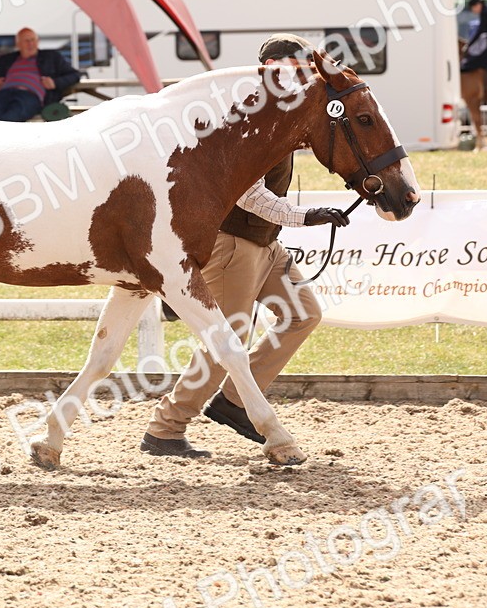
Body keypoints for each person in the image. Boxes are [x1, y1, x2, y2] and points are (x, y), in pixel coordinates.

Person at [141, 34, 349, 458]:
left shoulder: (285, 116)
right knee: (227, 339)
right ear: (270, 68)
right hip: (233, 242)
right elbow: (248, 195)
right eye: (294, 68)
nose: (303, 77)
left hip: (266, 243)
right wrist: (305, 217)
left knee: (304, 314)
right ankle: (166, 428)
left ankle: (235, 401)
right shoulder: (246, 117)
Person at [0, 27, 82, 122]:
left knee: (10, 119)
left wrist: (55, 83)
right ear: (18, 44)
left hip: (30, 95)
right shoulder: (6, 59)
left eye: (33, 40)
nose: (31, 44)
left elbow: (75, 75)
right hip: (5, 93)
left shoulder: (51, 57)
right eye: (26, 41)